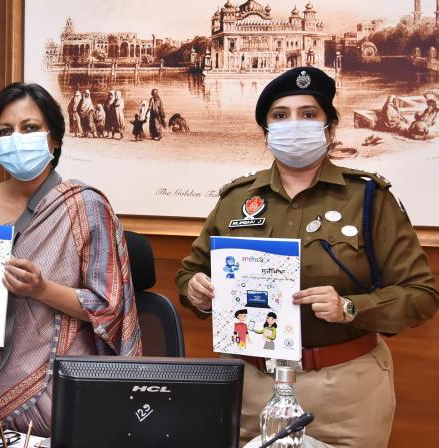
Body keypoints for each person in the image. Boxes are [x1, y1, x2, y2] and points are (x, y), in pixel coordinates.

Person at [175, 67, 439, 447]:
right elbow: (190, 276)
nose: (293, 125)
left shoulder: (367, 198)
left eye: (309, 114)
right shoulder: (236, 199)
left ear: (330, 129)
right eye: (280, 116)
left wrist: (350, 307)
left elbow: (421, 295)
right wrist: (196, 290)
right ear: (266, 133)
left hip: (346, 390)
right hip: (251, 388)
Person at [0, 82, 142, 437]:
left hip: (58, 390)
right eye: (5, 131)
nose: (17, 138)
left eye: (30, 128)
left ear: (54, 139)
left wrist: (41, 288)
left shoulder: (86, 206)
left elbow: (109, 308)